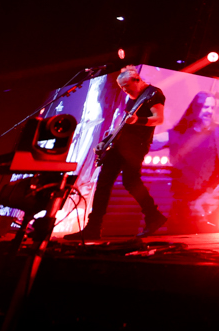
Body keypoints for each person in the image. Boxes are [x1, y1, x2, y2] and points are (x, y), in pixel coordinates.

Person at [65, 66, 167, 241]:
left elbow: (158, 118)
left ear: (137, 80)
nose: (125, 91)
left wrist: (138, 120)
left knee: (131, 181)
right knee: (104, 183)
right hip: (120, 144)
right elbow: (124, 124)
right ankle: (93, 227)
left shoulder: (154, 94)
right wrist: (106, 140)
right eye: (122, 88)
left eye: (127, 86)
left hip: (136, 146)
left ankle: (153, 215)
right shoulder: (132, 99)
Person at [155, 92, 219, 234]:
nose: (209, 111)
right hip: (185, 200)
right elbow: (153, 142)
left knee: (208, 238)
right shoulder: (180, 133)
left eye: (212, 108)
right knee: (179, 236)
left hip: (210, 200)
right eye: (205, 107)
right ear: (195, 108)